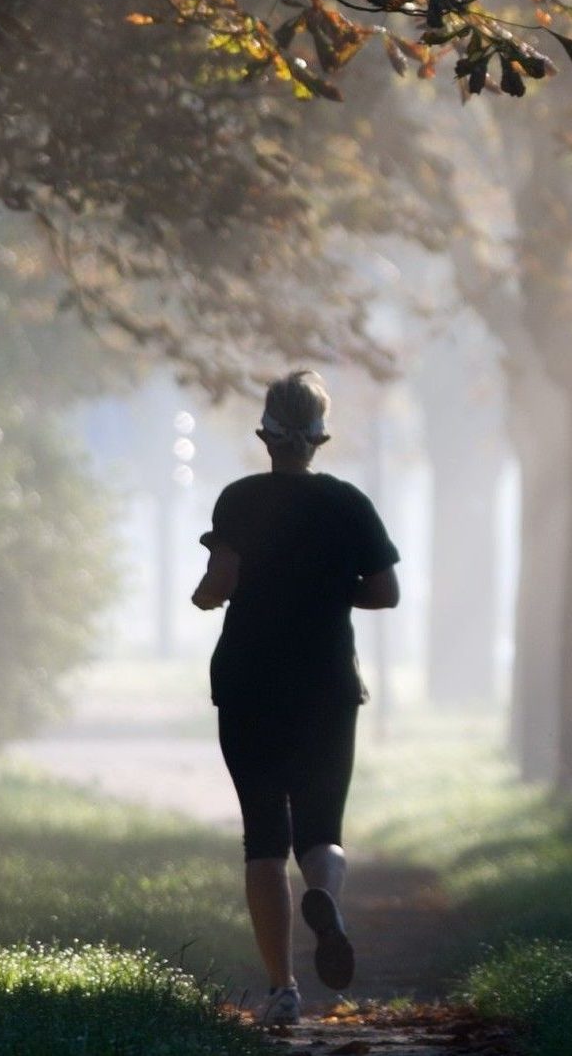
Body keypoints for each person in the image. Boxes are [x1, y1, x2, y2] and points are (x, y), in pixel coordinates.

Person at [191, 370, 400, 1026]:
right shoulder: (348, 504)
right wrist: (330, 590)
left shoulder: (239, 499)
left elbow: (220, 579)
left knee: (262, 838)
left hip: (250, 684)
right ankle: (325, 898)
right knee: (320, 832)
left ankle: (283, 990)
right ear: (319, 438)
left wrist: (207, 594)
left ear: (266, 434)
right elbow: (385, 590)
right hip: (326, 686)